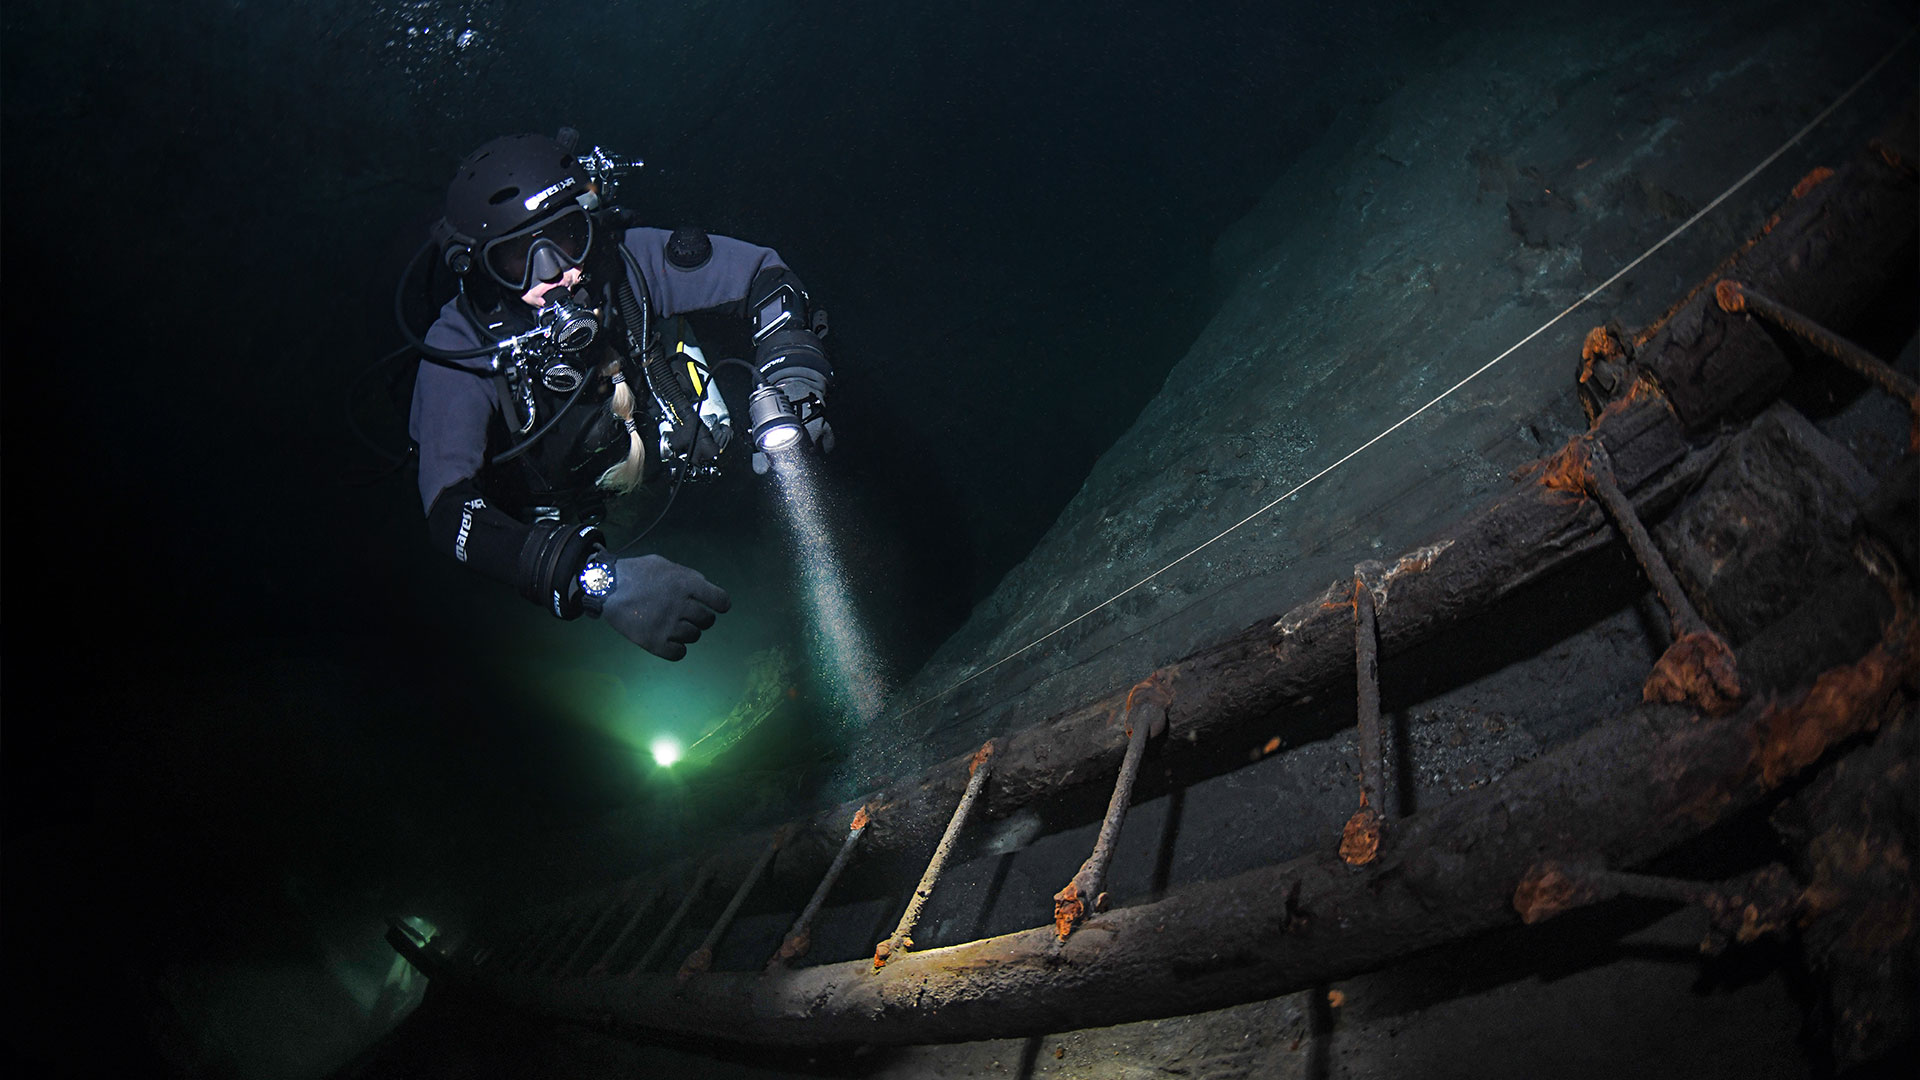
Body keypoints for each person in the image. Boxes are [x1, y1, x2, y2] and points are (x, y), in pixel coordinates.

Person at [403, 130, 833, 660]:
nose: (553, 273)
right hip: (577, 520)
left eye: (564, 238)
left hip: (680, 468)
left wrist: (796, 386)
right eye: (517, 259)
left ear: (589, 224)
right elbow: (450, 510)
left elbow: (767, 277)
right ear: (479, 269)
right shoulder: (461, 343)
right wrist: (599, 582)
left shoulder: (623, 263)